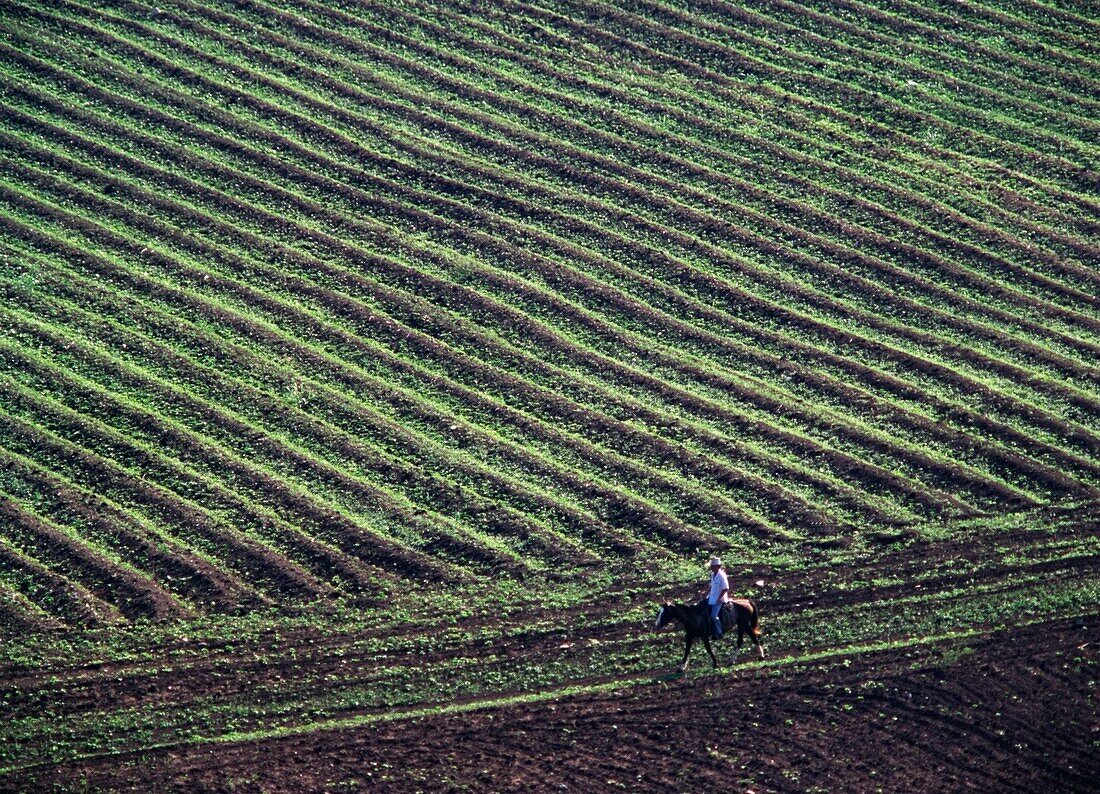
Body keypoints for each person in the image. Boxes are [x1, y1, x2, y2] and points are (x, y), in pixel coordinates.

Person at [705, 556, 729, 638]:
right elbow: (712, 585)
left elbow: (725, 588)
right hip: (712, 597)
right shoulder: (712, 575)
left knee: (713, 616)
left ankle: (719, 632)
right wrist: (706, 592)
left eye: (713, 566)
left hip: (719, 600)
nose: (711, 568)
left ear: (717, 567)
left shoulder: (722, 575)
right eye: (711, 566)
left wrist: (719, 598)